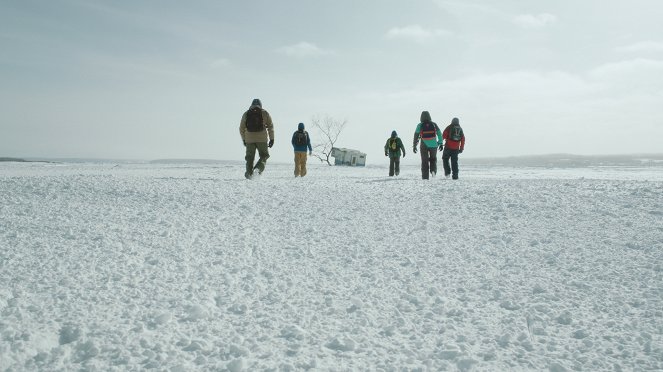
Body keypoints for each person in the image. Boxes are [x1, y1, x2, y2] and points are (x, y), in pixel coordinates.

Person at [239, 98, 274, 179]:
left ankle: (248, 175)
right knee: (264, 155)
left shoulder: (246, 113)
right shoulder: (265, 113)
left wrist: (244, 139)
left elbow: (241, 128)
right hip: (262, 139)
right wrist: (272, 139)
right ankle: (258, 169)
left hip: (249, 139)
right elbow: (270, 126)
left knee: (249, 158)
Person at [412, 111, 443, 179]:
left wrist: (414, 145)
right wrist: (440, 143)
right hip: (434, 145)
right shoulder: (434, 124)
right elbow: (439, 134)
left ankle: (425, 177)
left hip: (424, 144)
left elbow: (416, 135)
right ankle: (433, 171)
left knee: (424, 161)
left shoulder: (420, 125)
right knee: (433, 159)